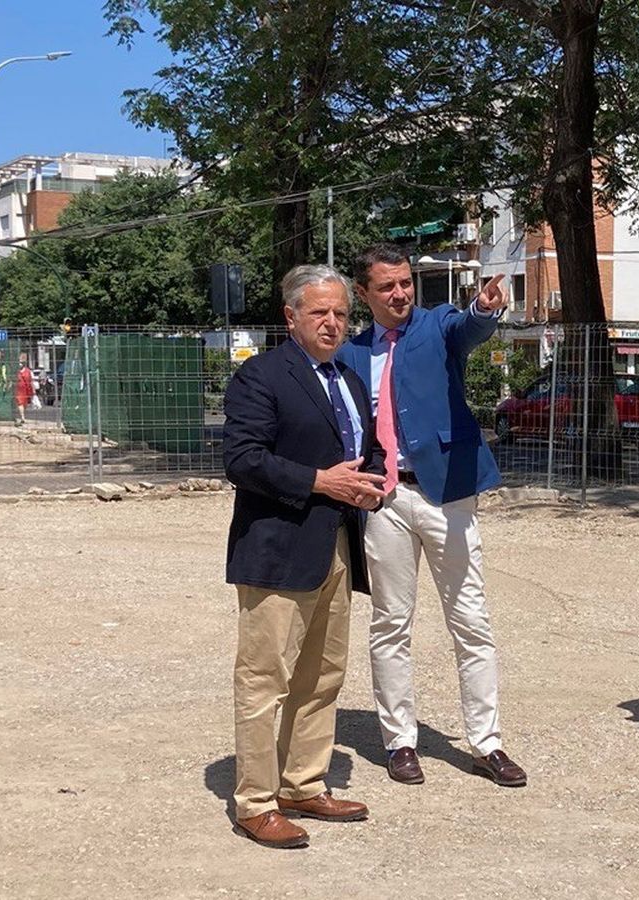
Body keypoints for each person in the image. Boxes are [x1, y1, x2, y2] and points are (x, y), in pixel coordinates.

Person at [335, 244, 527, 788]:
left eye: (405, 283)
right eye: (387, 287)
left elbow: (470, 327)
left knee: (471, 620)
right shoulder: (353, 353)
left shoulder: (439, 325)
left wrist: (485, 308)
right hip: (385, 500)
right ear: (365, 293)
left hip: (448, 494)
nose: (400, 294)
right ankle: (399, 741)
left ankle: (486, 743)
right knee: (390, 623)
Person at [223, 264, 387, 849]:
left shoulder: (347, 376)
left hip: (336, 545)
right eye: (320, 312)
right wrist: (320, 481)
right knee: (266, 677)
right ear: (291, 316)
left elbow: (360, 448)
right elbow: (241, 459)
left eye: (342, 313)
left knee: (322, 676)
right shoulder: (261, 376)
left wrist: (371, 478)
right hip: (276, 546)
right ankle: (255, 801)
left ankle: (302, 782)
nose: (333, 323)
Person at [13, 353, 33, 425]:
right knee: (20, 403)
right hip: (18, 389)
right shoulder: (16, 371)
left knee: (24, 404)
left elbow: (29, 381)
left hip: (25, 389)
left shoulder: (27, 371)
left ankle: (22, 416)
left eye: (21, 363)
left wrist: (31, 391)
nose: (20, 364)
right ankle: (22, 417)